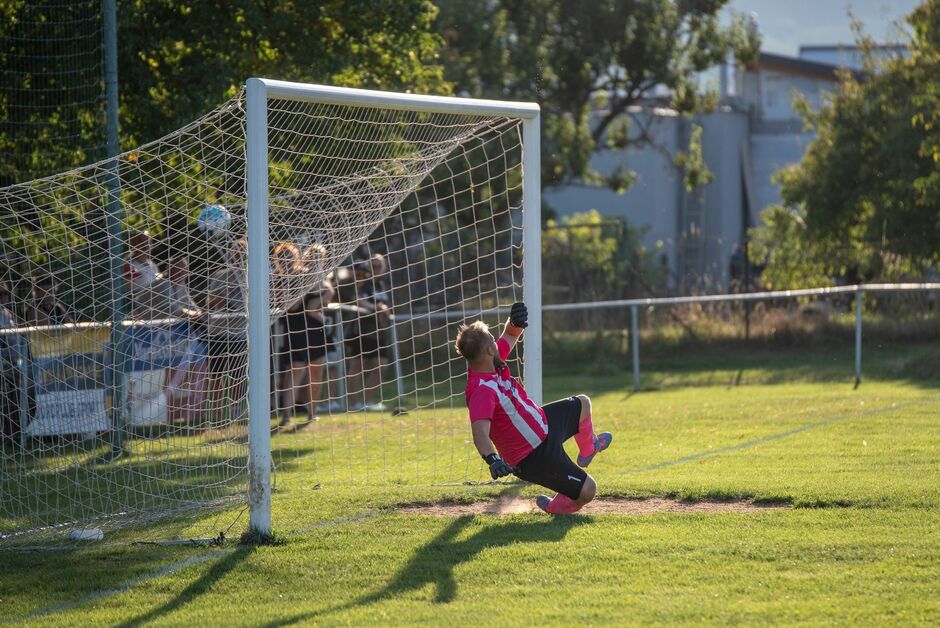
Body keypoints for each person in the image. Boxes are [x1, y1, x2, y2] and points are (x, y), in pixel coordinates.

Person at [455, 302, 613, 514]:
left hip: (544, 423)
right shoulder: (482, 390)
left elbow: (509, 335)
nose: (496, 342)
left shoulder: (492, 363)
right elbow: (479, 433)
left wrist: (515, 323)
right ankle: (554, 506)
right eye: (493, 339)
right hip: (533, 456)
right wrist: (493, 460)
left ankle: (589, 449)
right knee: (588, 491)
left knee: (583, 403)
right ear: (489, 350)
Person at [277, 244, 335, 427]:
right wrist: (303, 290)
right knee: (295, 369)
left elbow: (328, 290)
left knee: (316, 370)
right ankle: (286, 415)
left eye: (289, 255)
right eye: (282, 256)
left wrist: (321, 298)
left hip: (315, 328)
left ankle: (312, 413)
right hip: (295, 328)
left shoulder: (309, 274)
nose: (286, 260)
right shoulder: (281, 279)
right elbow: (292, 307)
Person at [204, 238, 248, 424]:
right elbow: (208, 303)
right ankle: (217, 413)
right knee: (216, 375)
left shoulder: (251, 276)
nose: (238, 254)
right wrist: (222, 298)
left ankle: (236, 410)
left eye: (242, 251)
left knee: (238, 375)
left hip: (239, 332)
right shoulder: (220, 275)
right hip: (219, 332)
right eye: (235, 250)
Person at [345, 254, 391, 412]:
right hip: (361, 330)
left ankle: (366, 401)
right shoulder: (362, 282)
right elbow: (357, 299)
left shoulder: (381, 284)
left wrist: (384, 309)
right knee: (357, 366)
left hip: (378, 331)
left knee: (382, 366)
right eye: (373, 266)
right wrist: (375, 308)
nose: (376, 269)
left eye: (379, 266)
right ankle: (354, 404)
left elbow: (384, 303)